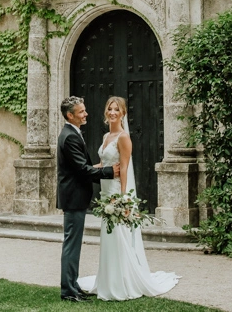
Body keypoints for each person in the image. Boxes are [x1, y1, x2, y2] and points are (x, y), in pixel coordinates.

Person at [78, 97, 180, 301]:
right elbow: (103, 162)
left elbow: (123, 167)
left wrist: (123, 198)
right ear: (106, 112)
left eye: (117, 109)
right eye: (110, 108)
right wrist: (83, 170)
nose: (112, 112)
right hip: (105, 191)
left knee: (119, 235)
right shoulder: (107, 135)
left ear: (123, 113)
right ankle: (109, 278)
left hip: (116, 191)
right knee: (109, 236)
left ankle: (123, 281)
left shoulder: (123, 138)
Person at [58, 96, 119, 303]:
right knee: (72, 245)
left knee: (73, 244)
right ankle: (68, 291)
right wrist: (110, 171)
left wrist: (98, 167)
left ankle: (73, 285)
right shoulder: (70, 137)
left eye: (84, 110)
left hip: (75, 196)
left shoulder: (72, 133)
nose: (86, 114)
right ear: (70, 115)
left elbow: (81, 167)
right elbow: (81, 170)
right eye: (81, 112)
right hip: (73, 198)